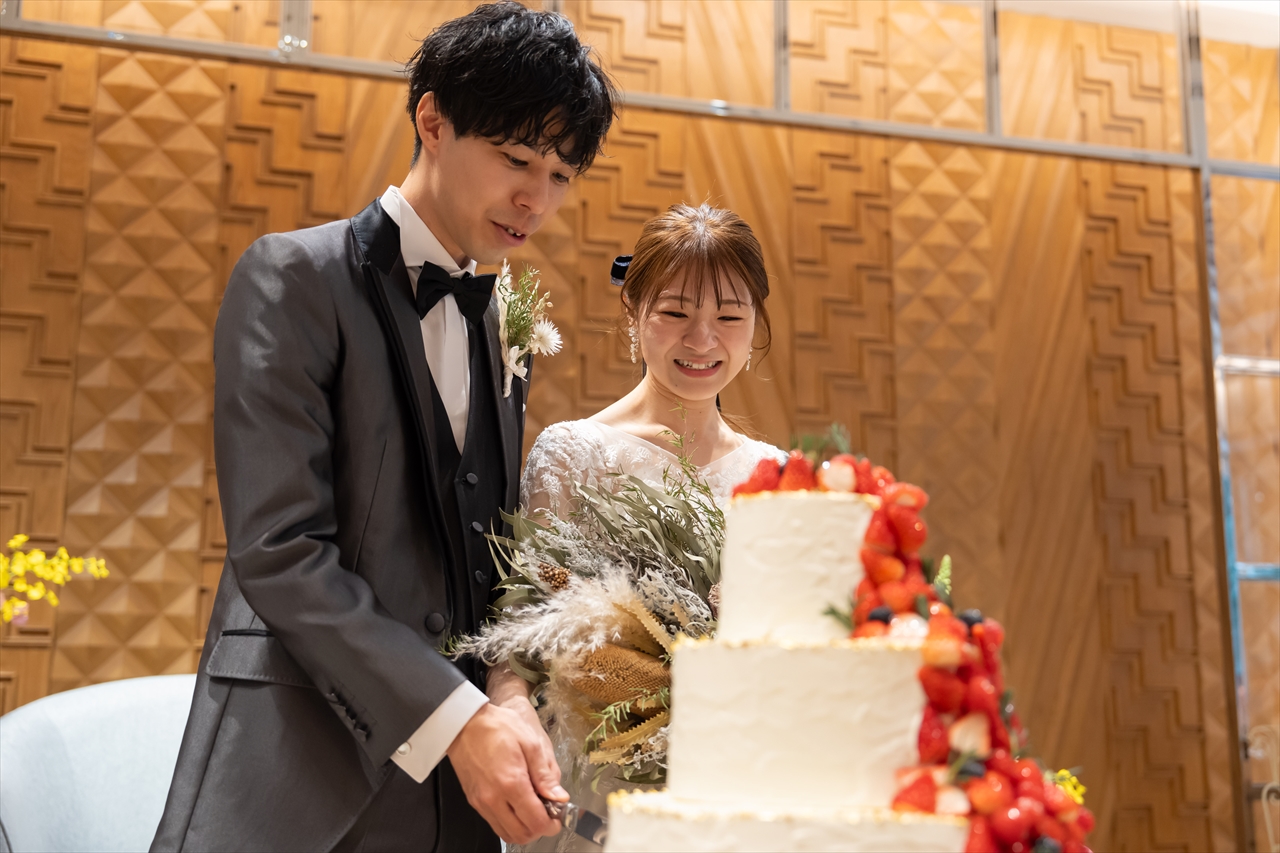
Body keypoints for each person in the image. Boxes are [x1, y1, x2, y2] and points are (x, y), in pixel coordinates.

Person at [150, 4, 615, 851]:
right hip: (294, 785)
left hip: (454, 805)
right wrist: (456, 716)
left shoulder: (499, 319)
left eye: (560, 175)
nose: (536, 199)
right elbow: (280, 551)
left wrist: (507, 693)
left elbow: (481, 555)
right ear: (432, 121)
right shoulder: (293, 277)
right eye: (516, 160)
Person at [491, 203, 787, 851]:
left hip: (739, 795)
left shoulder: (778, 476)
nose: (702, 339)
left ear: (756, 323)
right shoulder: (574, 453)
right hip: (596, 801)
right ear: (633, 311)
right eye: (675, 313)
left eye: (729, 316)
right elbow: (522, 638)